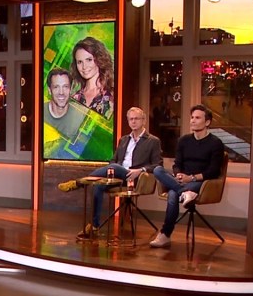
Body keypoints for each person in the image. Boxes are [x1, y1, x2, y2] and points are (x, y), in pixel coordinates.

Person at [57, 107, 163, 237]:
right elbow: (114, 160)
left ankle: (79, 183)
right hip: (118, 176)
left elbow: (158, 164)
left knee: (115, 167)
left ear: (144, 121)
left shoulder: (153, 141)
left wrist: (140, 170)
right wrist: (110, 171)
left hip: (136, 178)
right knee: (97, 185)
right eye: (131, 119)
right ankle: (94, 226)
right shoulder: (124, 140)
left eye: (136, 119)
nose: (133, 122)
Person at [150, 104, 225, 248]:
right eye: (192, 117)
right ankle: (185, 192)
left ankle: (165, 234)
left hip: (201, 182)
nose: (193, 120)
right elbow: (177, 164)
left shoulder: (216, 143)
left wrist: (191, 178)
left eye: (197, 118)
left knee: (173, 193)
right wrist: (178, 174)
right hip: (182, 179)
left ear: (207, 122)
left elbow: (214, 171)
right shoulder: (184, 140)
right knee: (158, 170)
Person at [69, 36, 115, 120]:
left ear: (99, 59)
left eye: (89, 60)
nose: (84, 66)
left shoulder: (113, 95)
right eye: (80, 62)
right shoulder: (74, 98)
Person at [44, 67, 87, 142]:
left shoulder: (81, 114)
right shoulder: (38, 113)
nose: (61, 92)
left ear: (70, 89)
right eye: (56, 87)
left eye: (65, 87)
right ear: (49, 90)